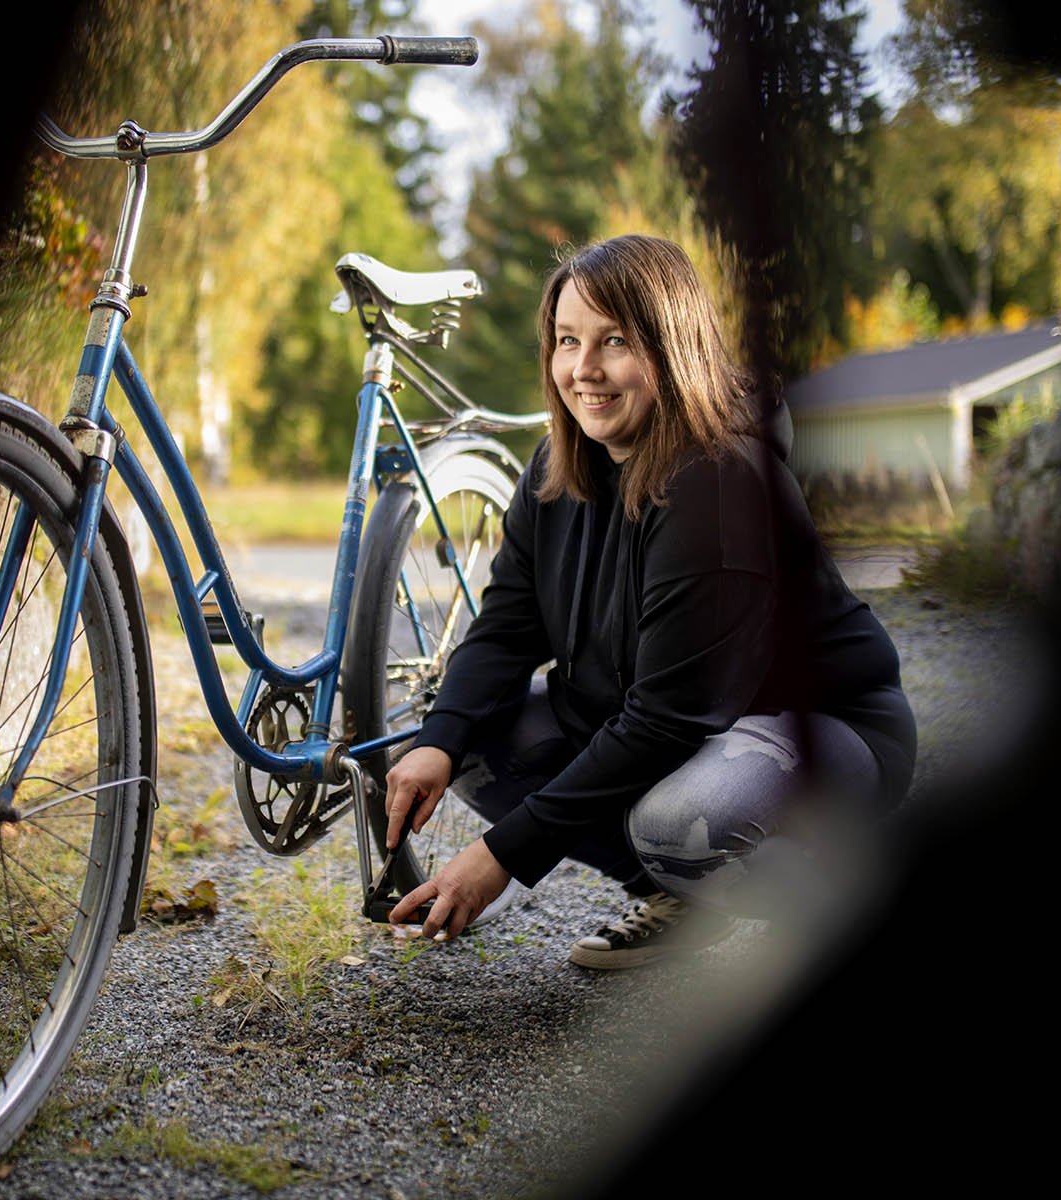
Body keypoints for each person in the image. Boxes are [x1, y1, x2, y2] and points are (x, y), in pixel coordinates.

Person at [384, 234, 917, 966]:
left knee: (678, 823)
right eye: (567, 341)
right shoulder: (558, 463)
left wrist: (501, 855)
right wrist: (438, 739)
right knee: (473, 746)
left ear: (672, 346)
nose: (583, 369)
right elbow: (509, 623)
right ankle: (684, 900)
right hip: (686, 729)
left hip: (818, 732)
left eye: (614, 342)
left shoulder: (722, 483)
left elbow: (669, 719)